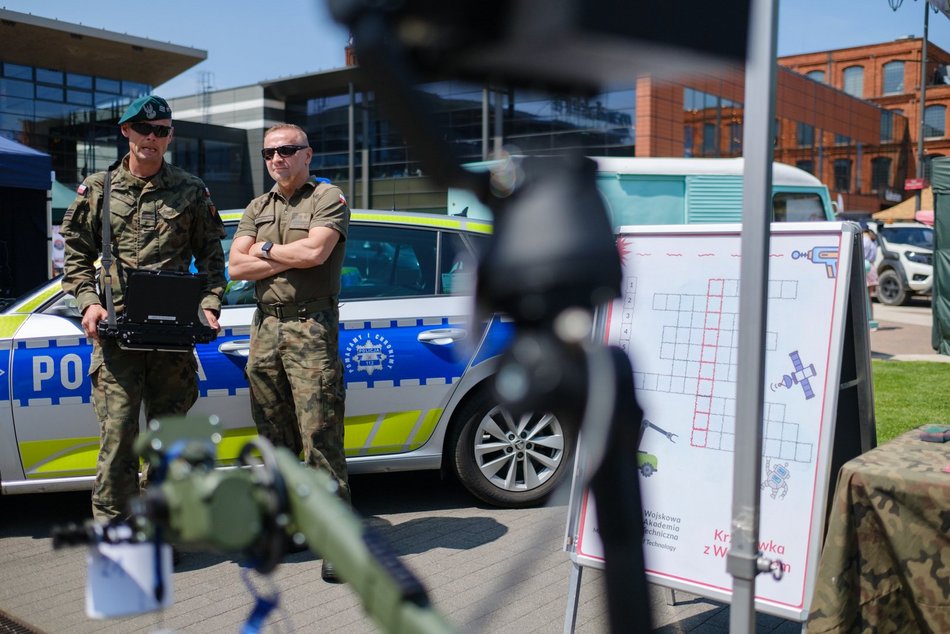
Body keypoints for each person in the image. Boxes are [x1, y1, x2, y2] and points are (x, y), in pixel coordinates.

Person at [61, 95, 226, 522]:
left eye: (162, 131)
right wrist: (89, 303)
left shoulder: (190, 190)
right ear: (126, 132)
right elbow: (76, 257)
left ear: (170, 136)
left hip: (172, 337)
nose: (152, 138)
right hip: (116, 334)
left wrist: (209, 304)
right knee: (117, 435)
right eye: (143, 129)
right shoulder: (100, 189)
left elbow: (212, 258)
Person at [228, 123, 350, 583]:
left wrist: (262, 250)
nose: (277, 158)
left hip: (309, 326)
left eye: (287, 150)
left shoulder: (327, 198)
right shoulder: (258, 206)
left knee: (318, 434)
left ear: (307, 154)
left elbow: (317, 253)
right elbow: (235, 266)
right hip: (265, 328)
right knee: (273, 436)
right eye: (269, 152)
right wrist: (283, 252)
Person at [862, 225, 879, 329]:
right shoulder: (873, 241)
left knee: (864, 296)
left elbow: (861, 254)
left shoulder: (864, 240)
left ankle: (867, 320)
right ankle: (870, 319)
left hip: (865, 266)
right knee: (869, 297)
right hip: (872, 267)